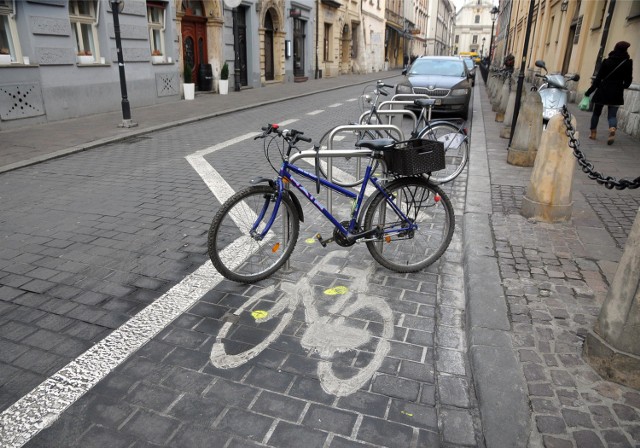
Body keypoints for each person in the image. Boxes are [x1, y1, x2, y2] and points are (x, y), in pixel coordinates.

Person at [585, 41, 633, 145]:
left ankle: (593, 133)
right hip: (617, 91)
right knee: (612, 115)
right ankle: (612, 128)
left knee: (596, 113)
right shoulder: (628, 62)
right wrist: (622, 86)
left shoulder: (606, 61)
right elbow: (629, 80)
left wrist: (589, 92)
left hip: (603, 89)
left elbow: (598, 79)